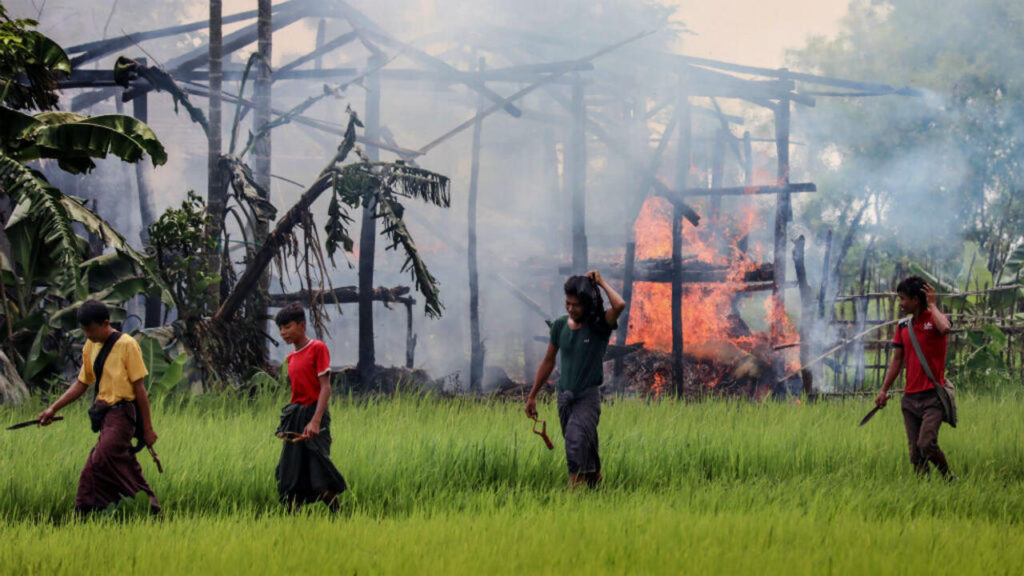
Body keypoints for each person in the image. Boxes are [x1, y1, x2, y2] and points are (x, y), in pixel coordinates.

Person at [38, 300, 160, 514]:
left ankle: (88, 511)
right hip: (105, 418)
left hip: (123, 415)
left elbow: (140, 389)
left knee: (99, 461)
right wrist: (53, 409)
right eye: (84, 330)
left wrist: (148, 429)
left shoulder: (127, 345)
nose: (87, 335)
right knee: (117, 464)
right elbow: (81, 383)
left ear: (105, 323)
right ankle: (145, 510)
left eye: (90, 330)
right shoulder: (90, 346)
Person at [525, 270, 626, 489]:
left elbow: (619, 305)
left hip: (587, 399)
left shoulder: (600, 325)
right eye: (567, 303)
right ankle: (597, 495)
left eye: (576, 305)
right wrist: (532, 395)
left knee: (574, 443)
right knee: (584, 451)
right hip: (565, 398)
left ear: (588, 304)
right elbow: (548, 361)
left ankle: (574, 501)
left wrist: (601, 282)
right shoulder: (560, 325)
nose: (570, 308)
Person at [875, 276, 955, 479]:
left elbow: (945, 328)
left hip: (932, 397)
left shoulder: (935, 320)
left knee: (926, 444)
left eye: (903, 298)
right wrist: (884, 390)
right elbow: (896, 361)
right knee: (915, 454)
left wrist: (932, 305)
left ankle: (949, 479)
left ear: (916, 300)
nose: (900, 304)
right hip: (910, 399)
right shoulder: (903, 327)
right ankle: (924, 490)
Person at [274, 303, 347, 511]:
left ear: (302, 325)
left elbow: (325, 388)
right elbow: (296, 392)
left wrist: (316, 422)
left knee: (319, 476)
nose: (283, 333)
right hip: (296, 415)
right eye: (280, 328)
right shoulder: (291, 358)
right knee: (290, 475)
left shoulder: (317, 348)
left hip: (315, 414)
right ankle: (292, 528)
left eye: (287, 327)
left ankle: (340, 517)